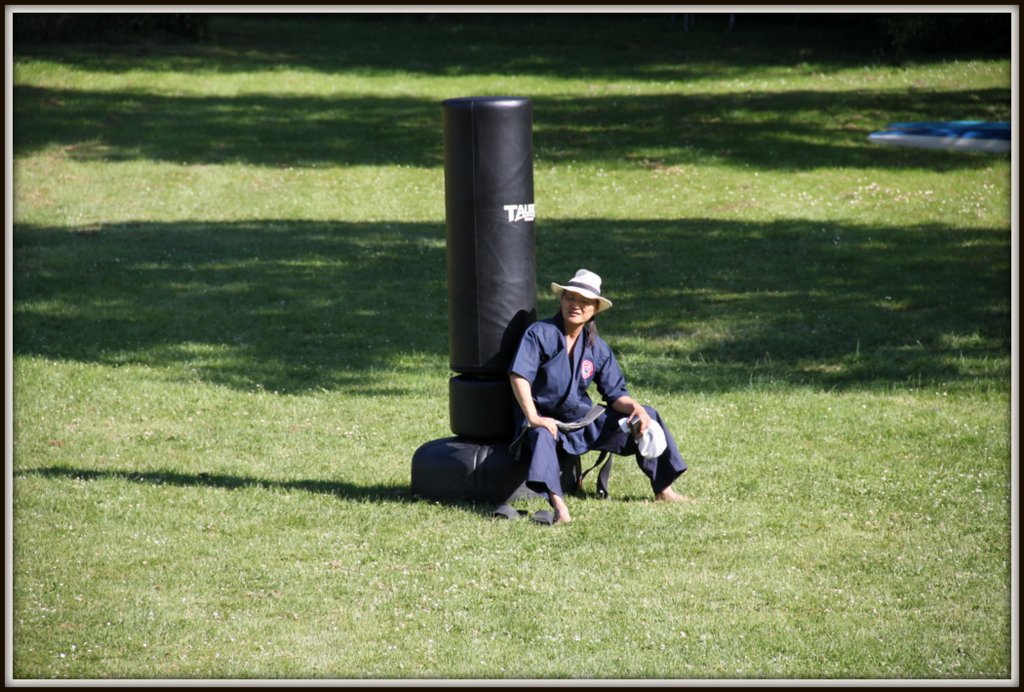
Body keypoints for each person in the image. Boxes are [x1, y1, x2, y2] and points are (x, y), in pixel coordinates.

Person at [508, 269, 689, 524]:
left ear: (594, 309)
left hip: (579, 421)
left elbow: (615, 395)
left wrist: (636, 408)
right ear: (561, 300)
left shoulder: (597, 347)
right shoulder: (540, 333)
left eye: (584, 302)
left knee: (648, 413)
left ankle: (663, 489)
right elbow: (519, 376)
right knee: (542, 434)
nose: (576, 305)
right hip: (542, 420)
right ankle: (560, 508)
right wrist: (534, 417)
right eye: (571, 298)